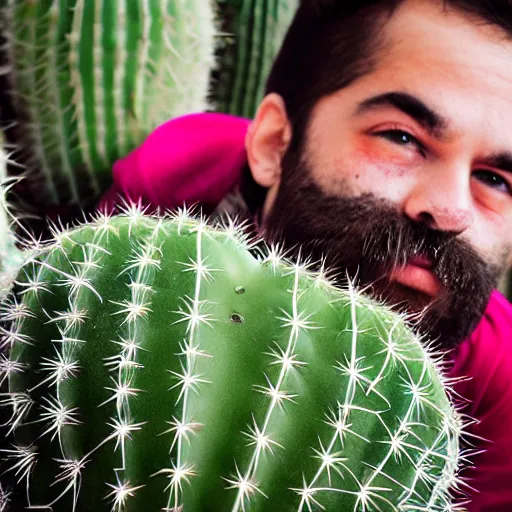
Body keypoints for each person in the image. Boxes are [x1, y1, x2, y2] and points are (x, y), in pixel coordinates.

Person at [98, 1, 512, 509]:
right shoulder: (170, 191)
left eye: (495, 179)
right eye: (402, 137)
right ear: (274, 144)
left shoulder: (495, 377)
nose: (450, 211)